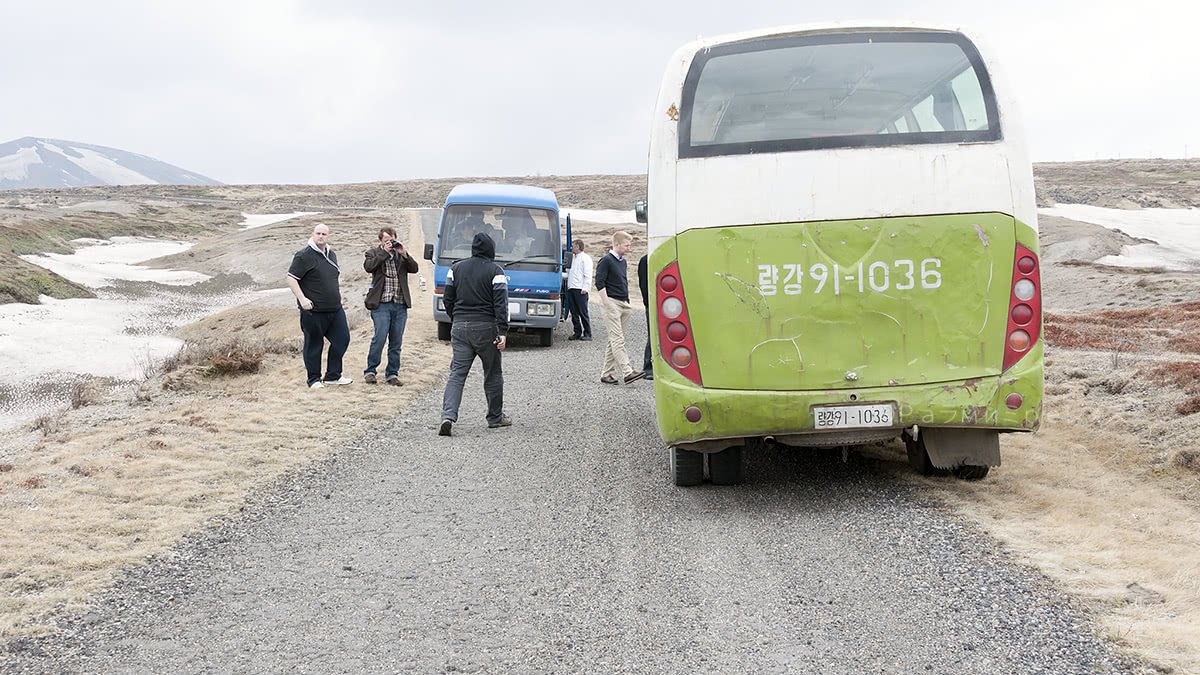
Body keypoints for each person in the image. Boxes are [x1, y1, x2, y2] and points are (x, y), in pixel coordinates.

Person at [438, 232, 512, 436]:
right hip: (486, 328)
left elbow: (447, 299)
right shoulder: (495, 271)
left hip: (460, 327)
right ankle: (495, 418)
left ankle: (448, 416)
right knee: (493, 373)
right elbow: (501, 304)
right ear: (491, 250)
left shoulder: (456, 268)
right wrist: (502, 331)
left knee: (457, 374)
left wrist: (457, 318)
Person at [286, 223, 352, 389]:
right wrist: (302, 299)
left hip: (335, 309)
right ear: (313, 234)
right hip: (313, 310)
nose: (321, 236)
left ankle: (333, 376)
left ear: (328, 236)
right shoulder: (304, 255)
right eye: (318, 233)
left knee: (342, 340)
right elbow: (291, 278)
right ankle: (314, 379)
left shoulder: (331, 254)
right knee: (314, 344)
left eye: (324, 234)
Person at [363, 226, 420, 385]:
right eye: (386, 240)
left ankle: (392, 374)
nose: (390, 243)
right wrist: (384, 253)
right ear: (380, 241)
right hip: (381, 304)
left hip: (400, 304)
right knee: (379, 338)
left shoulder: (400, 254)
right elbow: (369, 267)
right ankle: (370, 371)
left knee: (396, 341)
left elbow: (414, 269)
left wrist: (404, 254)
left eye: (392, 240)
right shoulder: (373, 253)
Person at [595, 231, 642, 385]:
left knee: (614, 340)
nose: (629, 248)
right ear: (617, 244)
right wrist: (607, 304)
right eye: (627, 245)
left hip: (624, 304)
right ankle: (628, 371)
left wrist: (628, 303)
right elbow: (599, 283)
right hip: (612, 304)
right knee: (618, 339)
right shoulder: (606, 260)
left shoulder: (623, 261)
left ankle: (606, 373)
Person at [566, 239, 593, 341]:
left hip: (580, 289)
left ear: (578, 246)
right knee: (574, 312)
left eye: (573, 246)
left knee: (583, 312)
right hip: (572, 288)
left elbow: (588, 274)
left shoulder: (585, 258)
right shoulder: (573, 258)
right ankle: (577, 332)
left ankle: (588, 333)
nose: (571, 248)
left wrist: (585, 288)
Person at [637, 253, 653, 380]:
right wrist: (648, 303)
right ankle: (647, 368)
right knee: (652, 335)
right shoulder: (645, 260)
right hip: (652, 304)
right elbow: (643, 283)